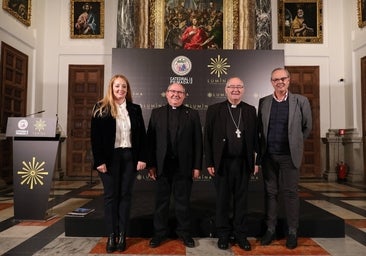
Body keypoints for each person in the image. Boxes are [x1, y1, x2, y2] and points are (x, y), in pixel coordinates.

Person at [90, 74, 147, 253]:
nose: (120, 90)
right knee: (110, 197)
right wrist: (99, 161)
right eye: (117, 86)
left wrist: (142, 158)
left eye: (124, 86)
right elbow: (95, 138)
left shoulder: (135, 109)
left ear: (127, 89)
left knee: (125, 196)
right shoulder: (101, 107)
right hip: (109, 160)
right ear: (111, 88)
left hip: (129, 157)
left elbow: (142, 137)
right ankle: (111, 236)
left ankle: (122, 235)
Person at [258, 67, 312, 249]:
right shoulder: (264, 102)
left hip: (289, 156)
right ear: (271, 82)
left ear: (289, 80)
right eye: (275, 79)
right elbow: (260, 129)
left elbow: (307, 127)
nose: (279, 82)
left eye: (283, 79)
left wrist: (295, 143)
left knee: (290, 194)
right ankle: (270, 230)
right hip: (269, 156)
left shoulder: (301, 101)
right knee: (270, 193)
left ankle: (292, 232)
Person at [204, 77, 259, 251]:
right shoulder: (214, 110)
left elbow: (255, 139)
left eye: (239, 87)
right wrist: (210, 162)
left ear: (243, 90)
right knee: (222, 201)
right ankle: (223, 235)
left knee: (241, 201)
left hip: (243, 163)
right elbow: (208, 138)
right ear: (226, 89)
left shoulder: (250, 110)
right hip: (222, 163)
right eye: (232, 87)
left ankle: (241, 235)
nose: (235, 90)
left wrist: (255, 161)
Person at [147, 83, 203, 248]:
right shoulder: (156, 113)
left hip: (183, 166)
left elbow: (198, 143)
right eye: (172, 91)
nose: (176, 94)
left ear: (184, 95)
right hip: (162, 166)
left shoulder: (192, 114)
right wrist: (151, 165)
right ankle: (158, 234)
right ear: (166, 93)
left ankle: (185, 234)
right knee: (161, 203)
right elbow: (150, 142)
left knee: (183, 203)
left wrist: (197, 166)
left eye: (179, 92)